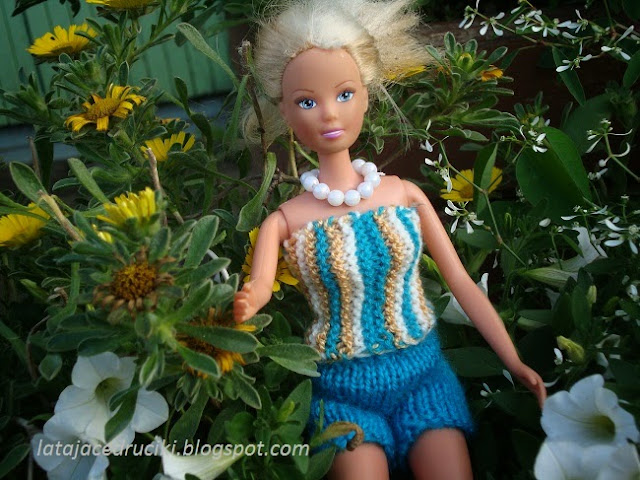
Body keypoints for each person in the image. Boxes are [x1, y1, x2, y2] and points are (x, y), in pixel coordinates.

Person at [233, 1, 547, 478]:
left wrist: (515, 361)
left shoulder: (403, 194)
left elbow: (461, 282)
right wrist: (246, 303)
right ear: (284, 111)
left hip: (423, 377)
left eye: (344, 94)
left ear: (367, 94)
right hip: (343, 391)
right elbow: (259, 287)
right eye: (307, 102)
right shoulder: (286, 220)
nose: (329, 113)